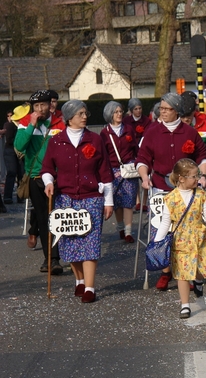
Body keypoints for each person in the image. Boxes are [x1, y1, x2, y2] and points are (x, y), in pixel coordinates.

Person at [41, 100, 114, 302]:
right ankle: (79, 281)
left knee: (90, 242)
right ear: (69, 117)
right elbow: (47, 168)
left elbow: (105, 172)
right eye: (80, 113)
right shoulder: (56, 142)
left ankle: (90, 288)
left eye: (85, 113)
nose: (84, 117)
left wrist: (109, 201)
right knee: (70, 242)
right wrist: (49, 182)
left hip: (92, 198)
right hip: (65, 198)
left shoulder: (95, 139)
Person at [136, 92, 206, 290]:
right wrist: (144, 177)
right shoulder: (151, 132)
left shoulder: (189, 132)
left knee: (187, 230)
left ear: (177, 110)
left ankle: (188, 272)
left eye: (167, 109)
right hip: (161, 185)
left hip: (187, 188)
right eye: (161, 109)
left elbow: (202, 157)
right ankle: (166, 270)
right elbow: (143, 159)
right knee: (162, 228)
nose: (163, 112)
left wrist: (202, 175)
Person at [153, 158, 206, 318]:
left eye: (198, 175)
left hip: (200, 240)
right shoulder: (170, 199)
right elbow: (165, 223)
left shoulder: (200, 195)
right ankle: (185, 305)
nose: (197, 179)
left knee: (199, 271)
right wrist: (157, 242)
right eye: (194, 176)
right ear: (181, 178)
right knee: (182, 274)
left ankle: (198, 282)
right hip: (180, 242)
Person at [15, 90, 66, 273]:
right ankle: (50, 258)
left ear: (50, 105)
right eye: (35, 106)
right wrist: (31, 126)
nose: (39, 109)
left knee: (58, 216)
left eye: (43, 105)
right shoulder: (25, 122)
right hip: (35, 178)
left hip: (58, 178)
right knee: (44, 219)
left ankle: (59, 256)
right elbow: (19, 146)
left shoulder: (60, 122)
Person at [100, 101, 139, 243]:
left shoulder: (128, 129)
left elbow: (135, 148)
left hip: (128, 169)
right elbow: (103, 154)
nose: (119, 114)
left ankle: (128, 232)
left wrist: (137, 163)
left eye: (120, 111)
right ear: (110, 114)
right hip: (113, 170)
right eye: (116, 112)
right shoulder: (105, 133)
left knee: (128, 201)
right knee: (117, 202)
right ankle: (121, 227)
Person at [2, 106, 25, 204]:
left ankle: (19, 196)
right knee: (12, 173)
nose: (10, 118)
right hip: (11, 150)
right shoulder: (9, 125)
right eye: (8, 116)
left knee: (19, 173)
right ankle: (8, 197)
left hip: (15, 150)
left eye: (11, 116)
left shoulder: (16, 126)